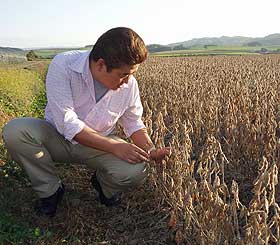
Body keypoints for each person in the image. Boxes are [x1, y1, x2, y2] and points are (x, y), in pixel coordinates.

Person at [2, 27, 171, 217]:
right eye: (123, 74)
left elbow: (133, 123)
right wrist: (115, 147)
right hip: (56, 137)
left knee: (136, 170)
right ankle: (50, 190)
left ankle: (103, 185)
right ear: (100, 65)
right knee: (15, 131)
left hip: (99, 145)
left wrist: (150, 150)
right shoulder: (64, 65)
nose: (128, 81)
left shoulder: (129, 85)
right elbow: (67, 122)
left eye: (132, 74)